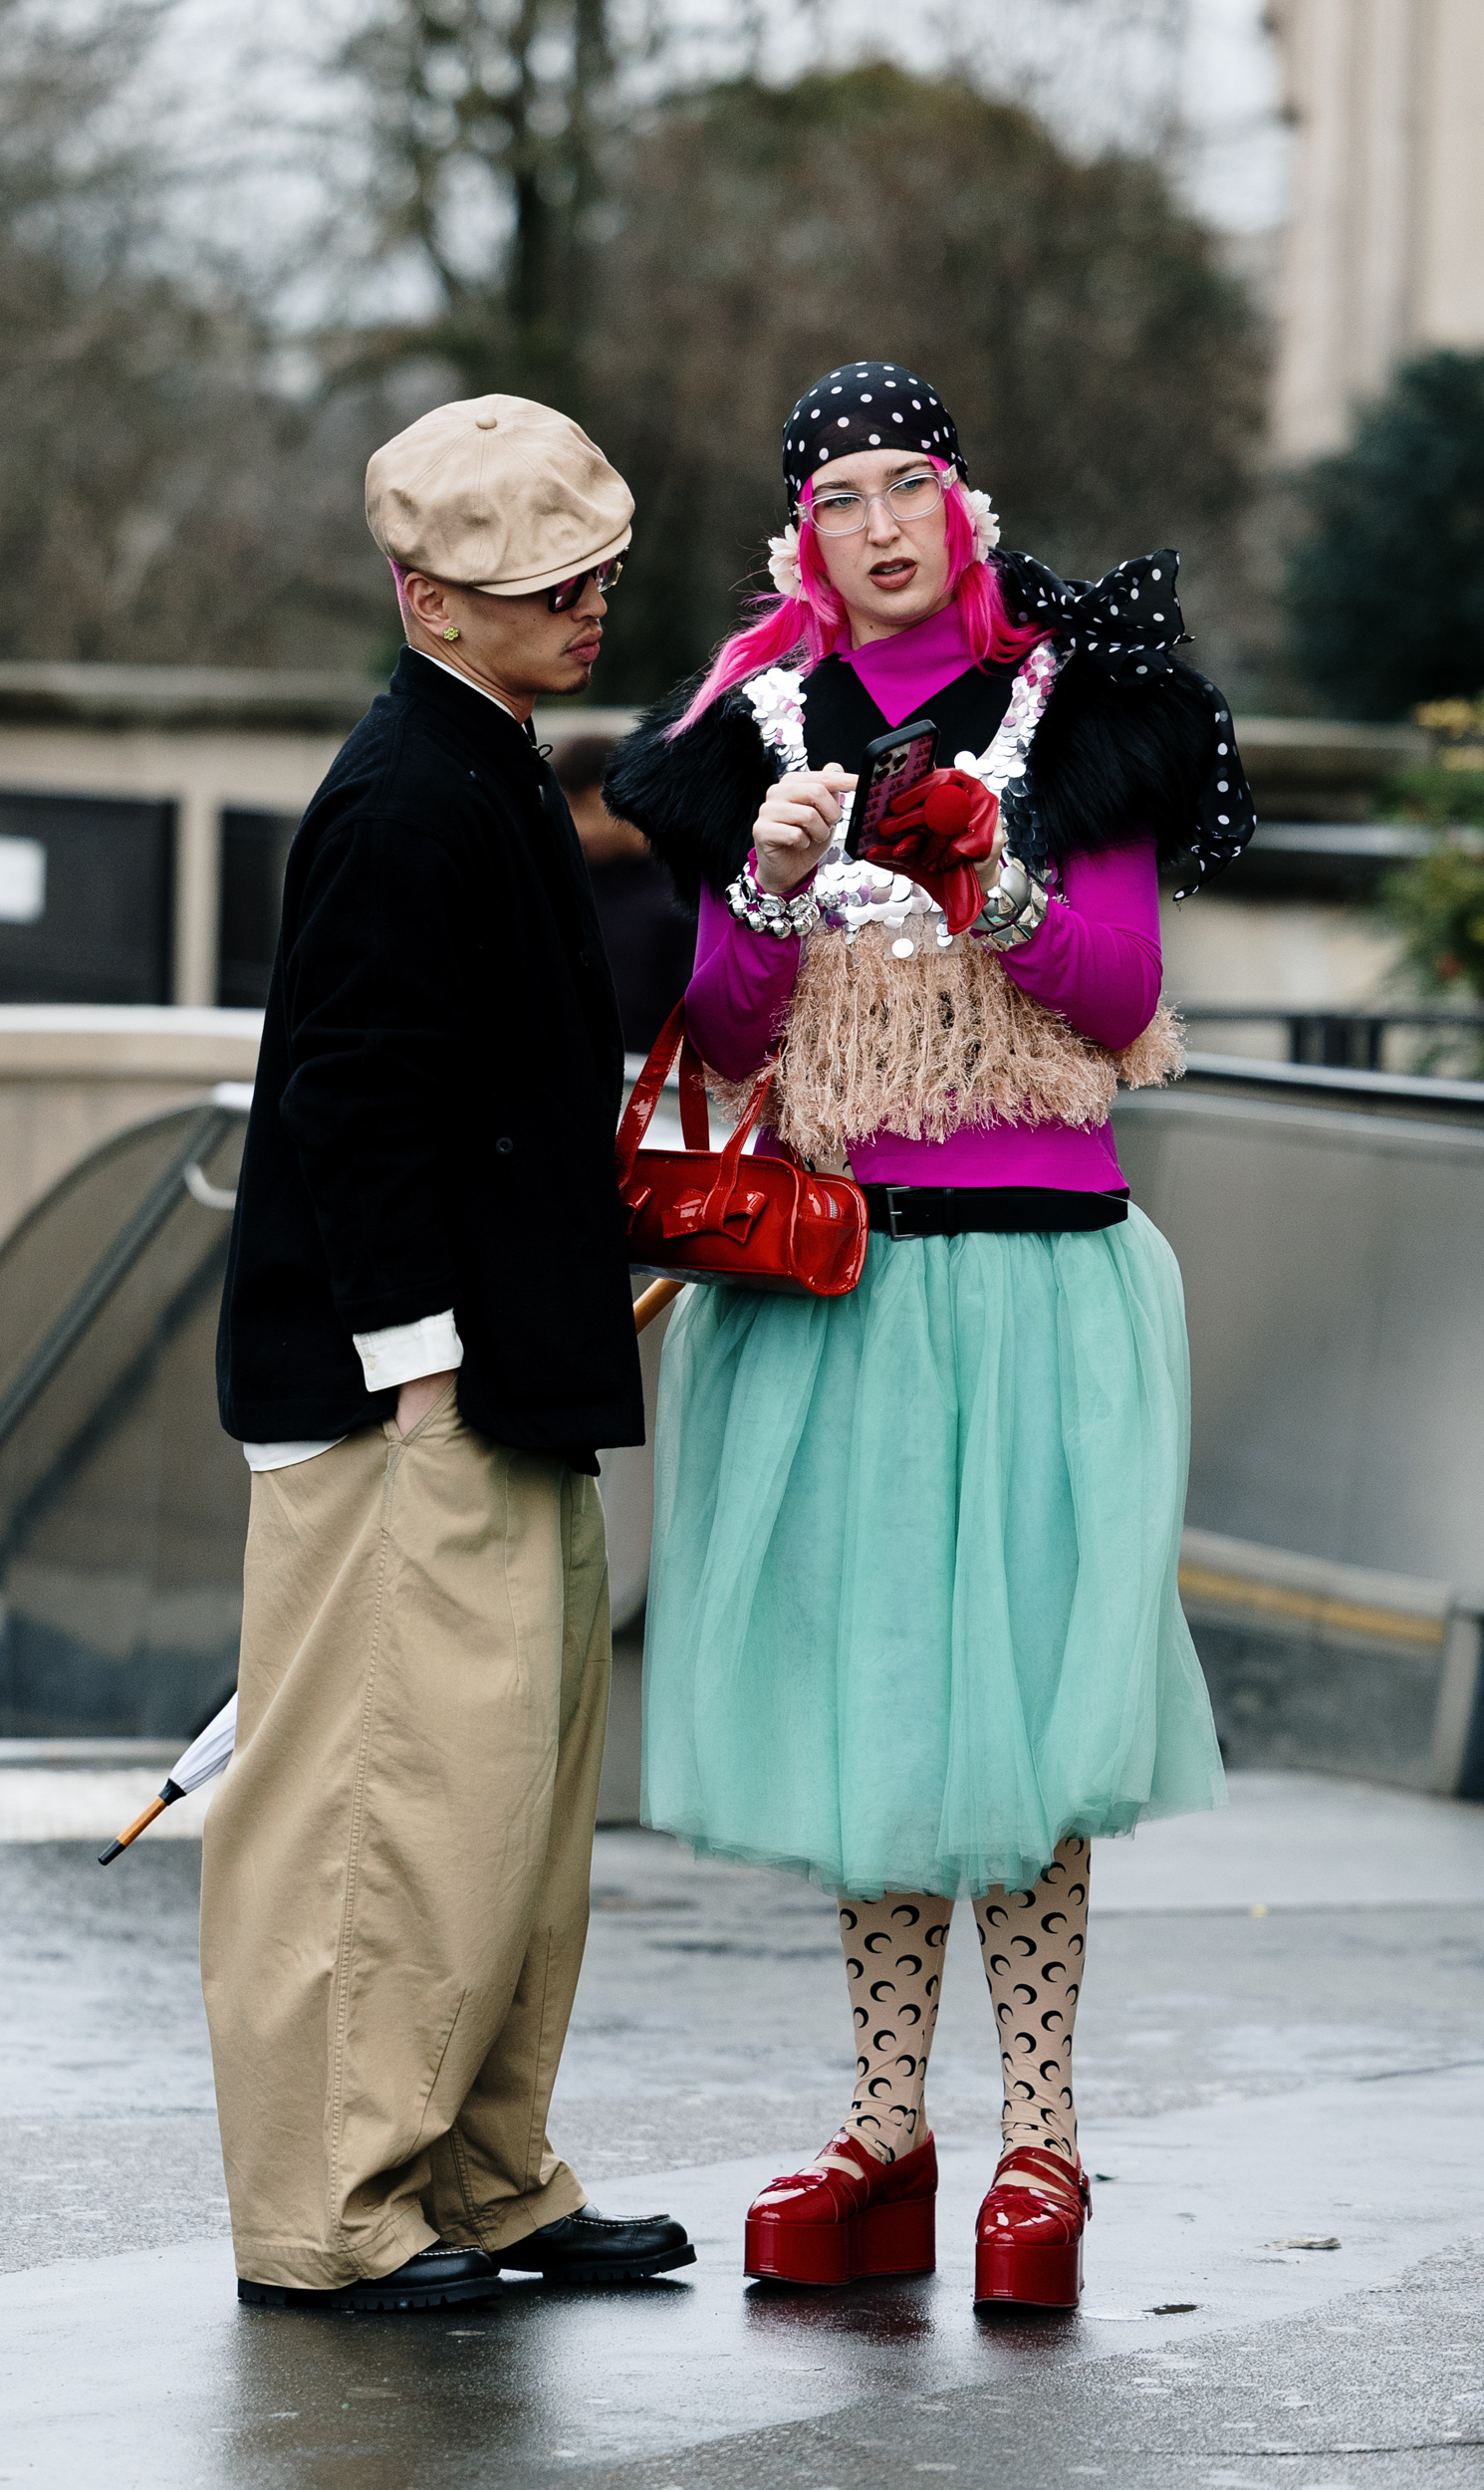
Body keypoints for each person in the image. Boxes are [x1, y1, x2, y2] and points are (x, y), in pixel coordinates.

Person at [604, 361, 1253, 2309]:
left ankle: (1036, 2139)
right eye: (835, 497)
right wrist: (766, 886)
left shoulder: (1083, 691)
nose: (875, 524)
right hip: (838, 1279)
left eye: (907, 483)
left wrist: (997, 882)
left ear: (959, 503)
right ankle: (884, 2128)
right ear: (793, 531)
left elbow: (1118, 983)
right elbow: (721, 1030)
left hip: (1037, 1271)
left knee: (1029, 1731)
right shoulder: (749, 717)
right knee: (874, 1711)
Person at [205, 392, 693, 2314]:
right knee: (384, 1812)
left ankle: (482, 2176)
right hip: (415, 1394)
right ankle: (337, 2213)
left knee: (496, 1807)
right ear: (427, 596)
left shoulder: (470, 757)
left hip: (477, 1377)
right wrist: (415, 1361)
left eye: (594, 570)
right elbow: (353, 1096)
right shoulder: (416, 790)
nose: (584, 600)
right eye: (539, 581)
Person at [553, 733, 693, 1049]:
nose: (579, 827)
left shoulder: (684, 897)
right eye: (567, 809)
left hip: (651, 1081)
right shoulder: (562, 884)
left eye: (589, 809)